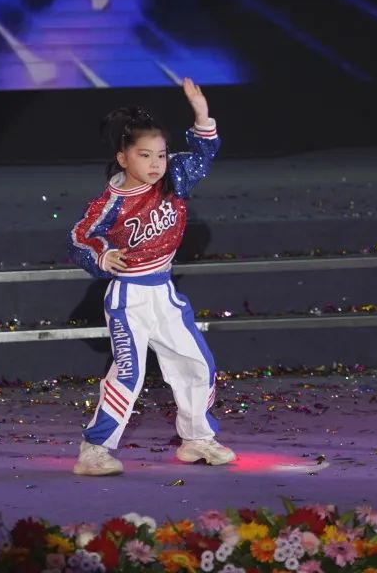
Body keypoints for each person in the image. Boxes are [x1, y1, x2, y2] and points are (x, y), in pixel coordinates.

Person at [68, 78, 235, 475]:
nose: (156, 163)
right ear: (123, 158)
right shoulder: (110, 203)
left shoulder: (174, 178)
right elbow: (79, 237)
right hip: (130, 299)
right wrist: (102, 255)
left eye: (160, 154)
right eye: (145, 155)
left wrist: (201, 114)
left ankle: (196, 439)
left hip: (165, 294)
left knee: (197, 363)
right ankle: (94, 449)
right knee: (129, 373)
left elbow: (203, 153)